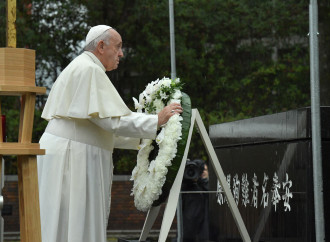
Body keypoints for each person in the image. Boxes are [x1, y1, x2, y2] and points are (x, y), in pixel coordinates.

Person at [37, 25, 182, 242]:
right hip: (72, 157)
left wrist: (147, 137)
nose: (121, 53)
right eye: (118, 47)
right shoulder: (89, 70)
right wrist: (156, 120)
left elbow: (99, 127)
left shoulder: (84, 67)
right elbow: (110, 121)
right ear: (101, 46)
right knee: (73, 224)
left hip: (71, 151)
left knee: (65, 224)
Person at [181, 159, 209, 242]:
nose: (203, 172)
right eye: (201, 170)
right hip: (187, 233)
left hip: (204, 231)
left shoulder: (207, 187)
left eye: (205, 170)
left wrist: (200, 182)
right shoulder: (185, 187)